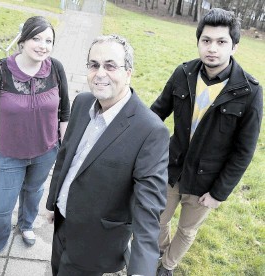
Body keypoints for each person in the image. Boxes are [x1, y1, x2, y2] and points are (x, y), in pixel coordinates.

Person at [46, 34, 170, 276]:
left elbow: (148, 210)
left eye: (110, 65)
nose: (100, 73)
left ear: (129, 72)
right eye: (94, 65)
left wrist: (141, 271)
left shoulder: (150, 131)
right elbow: (65, 157)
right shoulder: (82, 102)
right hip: (61, 223)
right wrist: (53, 202)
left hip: (95, 244)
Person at [152, 8, 263, 276]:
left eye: (221, 42)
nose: (212, 48)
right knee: (156, 220)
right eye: (206, 40)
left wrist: (219, 193)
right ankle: (159, 250)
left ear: (234, 46)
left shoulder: (250, 92)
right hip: (171, 169)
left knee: (187, 230)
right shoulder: (183, 73)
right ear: (199, 42)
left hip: (206, 183)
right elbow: (156, 114)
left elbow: (244, 151)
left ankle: (167, 266)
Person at [0, 16, 70, 262]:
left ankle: (26, 225)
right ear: (23, 39)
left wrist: (64, 147)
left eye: (49, 40)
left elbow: (64, 113)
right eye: (36, 38)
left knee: (34, 191)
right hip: (8, 154)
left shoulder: (56, 69)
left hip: (46, 151)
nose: (43, 45)